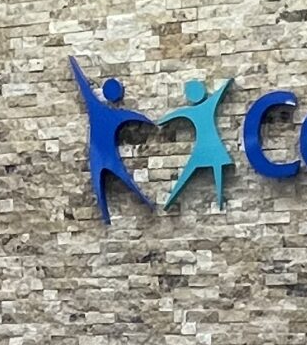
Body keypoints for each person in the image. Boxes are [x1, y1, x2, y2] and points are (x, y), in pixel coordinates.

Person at [70, 57, 154, 224]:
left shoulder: (96, 108)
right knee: (126, 183)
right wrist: (147, 121)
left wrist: (74, 65)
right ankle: (145, 204)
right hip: (104, 155)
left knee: (106, 186)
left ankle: (108, 216)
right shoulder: (112, 113)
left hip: (98, 155)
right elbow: (130, 116)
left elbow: (85, 88)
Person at [160, 77, 235, 210]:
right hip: (208, 147)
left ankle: (219, 201)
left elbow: (175, 115)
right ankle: (219, 200)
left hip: (207, 147)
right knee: (208, 169)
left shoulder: (202, 107)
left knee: (196, 172)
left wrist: (160, 121)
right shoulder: (205, 105)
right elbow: (175, 115)